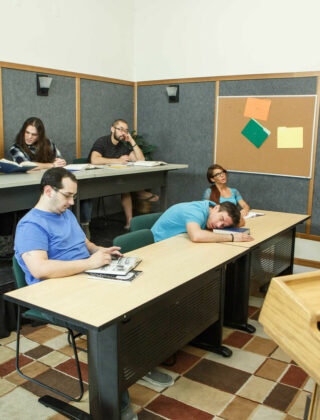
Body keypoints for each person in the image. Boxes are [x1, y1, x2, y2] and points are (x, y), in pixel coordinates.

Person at [14, 168, 172, 419]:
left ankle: (135, 364)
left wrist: (101, 251)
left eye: (73, 196)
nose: (72, 202)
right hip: (55, 295)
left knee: (143, 300)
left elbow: (83, 244)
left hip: (85, 278)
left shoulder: (64, 213)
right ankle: (116, 408)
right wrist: (90, 264)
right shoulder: (31, 225)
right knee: (111, 322)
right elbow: (40, 268)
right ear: (48, 191)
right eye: (67, 196)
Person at [89, 119, 159, 229]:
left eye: (126, 131)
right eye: (120, 129)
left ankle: (129, 221)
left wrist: (131, 140)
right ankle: (140, 192)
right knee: (124, 186)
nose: (123, 133)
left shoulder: (122, 146)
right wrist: (117, 160)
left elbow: (141, 160)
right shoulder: (102, 141)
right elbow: (94, 160)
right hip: (96, 180)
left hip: (115, 180)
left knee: (125, 187)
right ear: (112, 129)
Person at [151, 200, 254, 243]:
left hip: (176, 243)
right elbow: (196, 236)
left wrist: (227, 221)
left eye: (223, 225)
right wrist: (231, 237)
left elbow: (241, 222)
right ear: (216, 208)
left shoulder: (212, 208)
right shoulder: (196, 211)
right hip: (156, 246)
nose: (218, 225)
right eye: (221, 219)